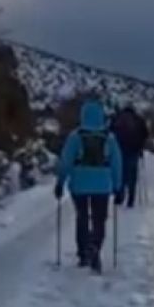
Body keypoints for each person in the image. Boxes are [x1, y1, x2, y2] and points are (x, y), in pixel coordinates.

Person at [55, 99, 123, 273]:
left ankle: (83, 253)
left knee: (82, 217)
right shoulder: (109, 138)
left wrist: (60, 182)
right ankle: (95, 245)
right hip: (102, 185)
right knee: (99, 219)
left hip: (79, 185)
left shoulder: (75, 136)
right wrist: (118, 187)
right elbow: (116, 163)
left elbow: (65, 161)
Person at [111, 105, 150, 208]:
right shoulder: (139, 120)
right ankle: (131, 199)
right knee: (132, 175)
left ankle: (119, 196)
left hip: (120, 150)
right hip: (134, 151)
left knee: (121, 173)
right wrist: (141, 147)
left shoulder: (117, 118)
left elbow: (111, 133)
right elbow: (145, 134)